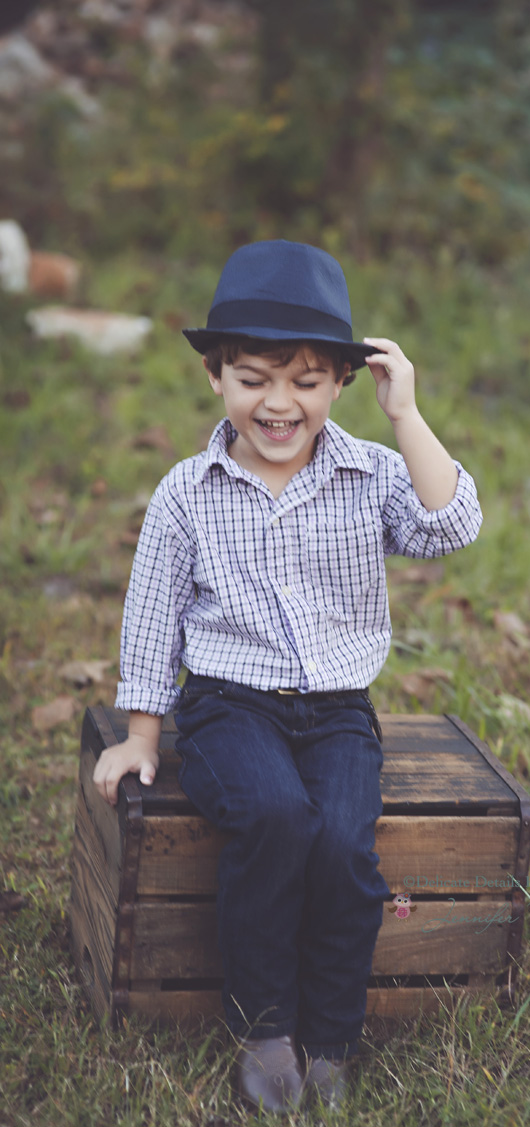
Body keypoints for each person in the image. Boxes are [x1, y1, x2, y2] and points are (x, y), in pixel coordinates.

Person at [92, 240, 482, 1113]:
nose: (279, 402)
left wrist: (407, 416)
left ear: (343, 382)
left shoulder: (370, 473)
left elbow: (451, 523)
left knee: (343, 841)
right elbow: (151, 616)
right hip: (229, 706)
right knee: (275, 816)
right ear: (215, 377)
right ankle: (267, 1025)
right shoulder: (188, 492)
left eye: (306, 380)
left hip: (338, 710)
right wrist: (143, 735)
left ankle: (332, 1036)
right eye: (254, 377)